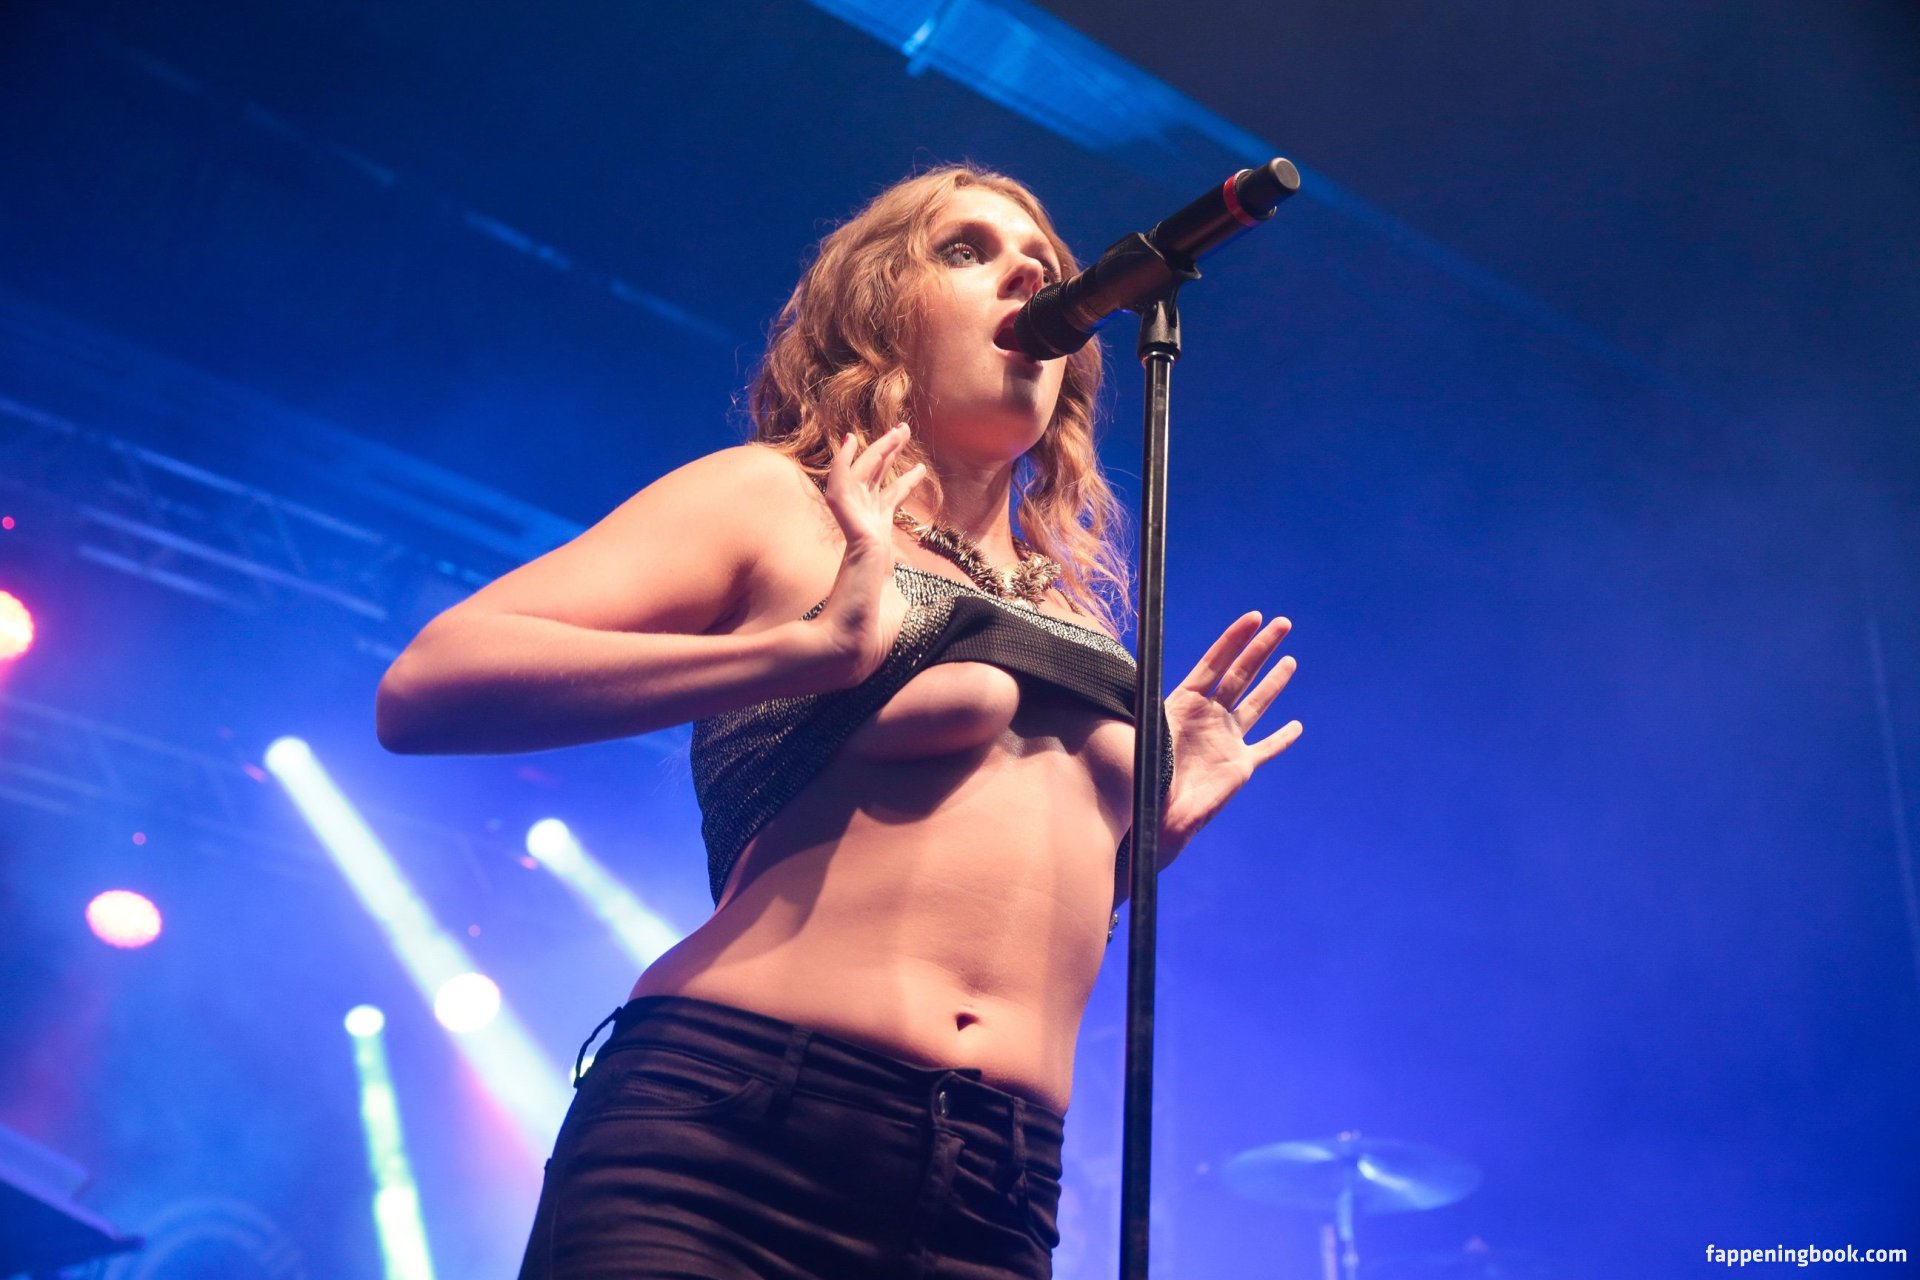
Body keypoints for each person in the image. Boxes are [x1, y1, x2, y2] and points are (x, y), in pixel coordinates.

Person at [375, 163, 1302, 1280]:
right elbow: (427, 684)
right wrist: (805, 651)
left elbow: (989, 898)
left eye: (1043, 263)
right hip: (734, 1136)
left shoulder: (1075, 609)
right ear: (879, 311)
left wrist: (1139, 847)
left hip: (996, 1184)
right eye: (966, 250)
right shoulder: (782, 501)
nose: (1026, 274)